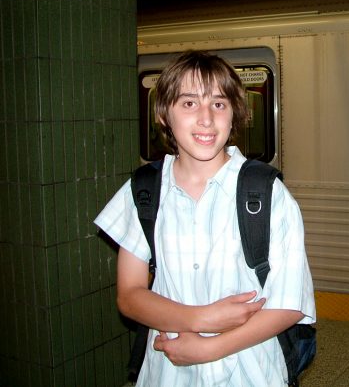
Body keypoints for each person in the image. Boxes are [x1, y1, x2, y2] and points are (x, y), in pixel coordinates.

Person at [95, 50, 315, 386]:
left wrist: (208, 349)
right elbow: (129, 295)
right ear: (163, 114)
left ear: (235, 114)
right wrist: (203, 318)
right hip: (168, 372)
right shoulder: (143, 191)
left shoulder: (267, 193)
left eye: (218, 103)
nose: (206, 119)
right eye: (188, 103)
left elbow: (290, 304)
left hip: (251, 372)